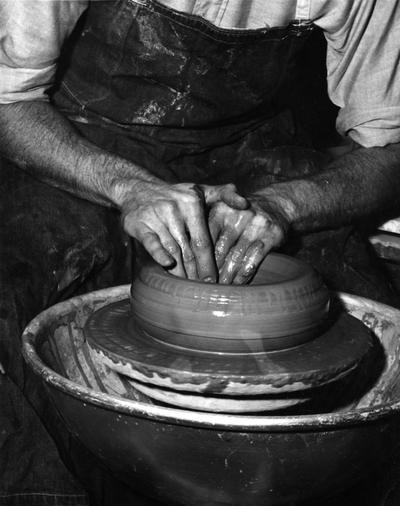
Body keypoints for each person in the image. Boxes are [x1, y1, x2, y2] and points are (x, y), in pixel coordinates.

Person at [0, 1, 400, 504]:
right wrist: (127, 186)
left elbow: (390, 146)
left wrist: (285, 206)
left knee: (368, 336)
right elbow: (8, 99)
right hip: (76, 143)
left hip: (249, 149)